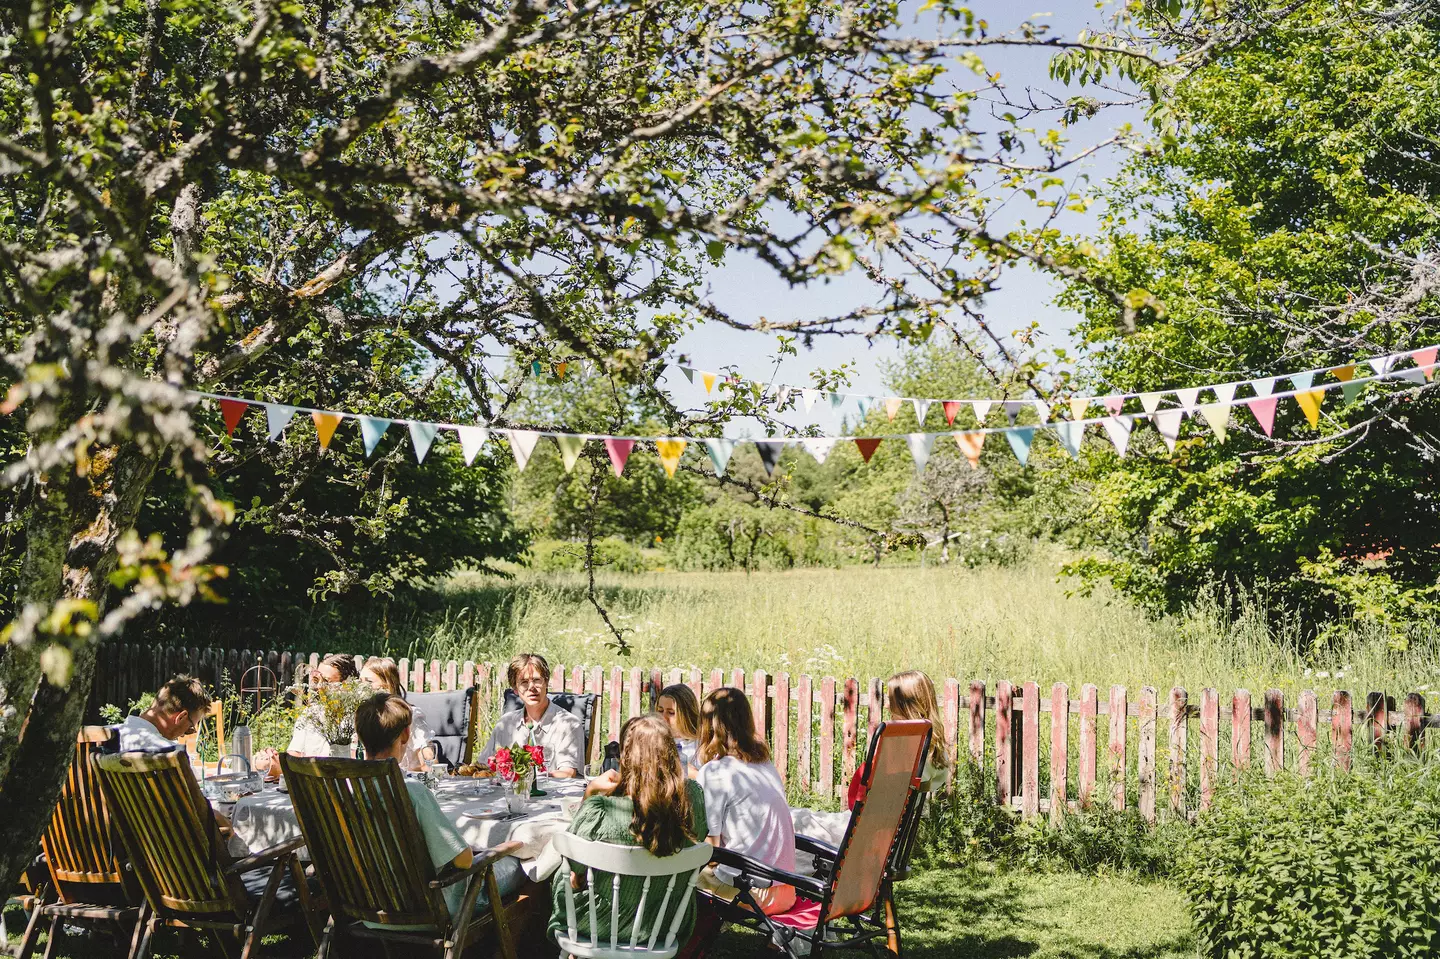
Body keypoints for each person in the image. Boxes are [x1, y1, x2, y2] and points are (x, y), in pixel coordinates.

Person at [355, 693, 523, 927]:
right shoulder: (410, 792)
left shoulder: (343, 790)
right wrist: (492, 849)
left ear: (360, 736)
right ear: (406, 734)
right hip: (431, 911)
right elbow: (463, 861)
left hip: (368, 910)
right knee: (519, 864)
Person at [548, 716, 708, 945]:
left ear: (625, 757)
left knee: (561, 877)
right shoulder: (693, 797)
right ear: (672, 753)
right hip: (666, 920)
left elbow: (571, 860)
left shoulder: (601, 810)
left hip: (602, 922)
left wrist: (590, 793)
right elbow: (699, 845)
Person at [790, 669, 952, 855]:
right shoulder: (932, 751)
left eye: (891, 700)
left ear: (904, 705)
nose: (888, 706)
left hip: (858, 836)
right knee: (794, 816)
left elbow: (860, 801)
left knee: (789, 820)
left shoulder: (903, 751)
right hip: (881, 836)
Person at [694, 687, 796, 916]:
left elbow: (710, 847)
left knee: (678, 881)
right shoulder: (764, 764)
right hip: (786, 890)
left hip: (750, 893)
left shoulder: (714, 772)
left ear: (708, 726)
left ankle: (689, 946)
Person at [478, 653, 584, 778]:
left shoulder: (569, 724)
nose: (531, 687)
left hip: (552, 795)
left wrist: (526, 777)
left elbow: (567, 773)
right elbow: (483, 765)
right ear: (515, 689)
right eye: (524, 682)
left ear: (546, 682)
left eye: (537, 680)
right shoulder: (505, 724)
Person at [256, 652, 360, 777]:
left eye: (327, 681)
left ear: (346, 685)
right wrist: (274, 760)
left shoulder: (355, 719)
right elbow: (294, 757)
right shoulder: (309, 714)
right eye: (317, 680)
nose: (319, 687)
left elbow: (353, 765)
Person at [360, 657, 434, 772]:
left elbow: (428, 760)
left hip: (407, 783)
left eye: (368, 681)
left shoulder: (411, 715)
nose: (361, 686)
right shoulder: (364, 716)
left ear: (387, 684)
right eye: (360, 681)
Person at [114, 675, 212, 753]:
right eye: (189, 729)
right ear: (181, 717)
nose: (182, 736)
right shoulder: (169, 753)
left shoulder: (106, 736)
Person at [656, 683, 703, 773]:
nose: (663, 717)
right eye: (660, 711)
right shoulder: (652, 740)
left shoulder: (701, 745)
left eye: (671, 712)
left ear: (687, 714)